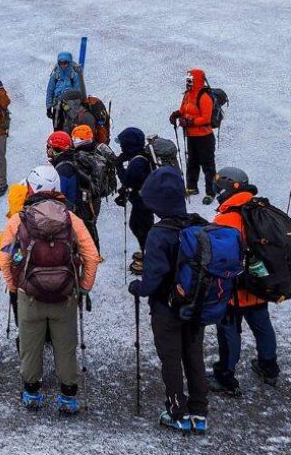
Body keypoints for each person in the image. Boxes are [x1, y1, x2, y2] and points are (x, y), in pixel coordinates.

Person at [0, 164, 100, 414]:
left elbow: (4, 260)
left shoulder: (19, 218)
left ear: (31, 187)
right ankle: (67, 397)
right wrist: (82, 287)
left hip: (29, 295)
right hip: (64, 295)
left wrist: (15, 287)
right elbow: (92, 256)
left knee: (31, 345)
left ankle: (32, 392)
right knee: (65, 345)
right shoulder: (70, 218)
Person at [128, 166, 211, 434]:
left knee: (171, 359)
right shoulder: (199, 225)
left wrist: (137, 288)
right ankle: (200, 412)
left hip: (166, 308)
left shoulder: (158, 233)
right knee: (194, 356)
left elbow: (154, 277)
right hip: (196, 306)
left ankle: (177, 411)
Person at [207, 167, 279, 393]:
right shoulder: (260, 209)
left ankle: (225, 376)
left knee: (229, 332)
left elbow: (218, 257)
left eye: (220, 188)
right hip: (259, 283)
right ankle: (269, 367)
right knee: (262, 325)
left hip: (234, 289)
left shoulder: (226, 218)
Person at [46, 130, 100, 252]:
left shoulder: (63, 170)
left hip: (73, 212)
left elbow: (60, 196)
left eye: (49, 147)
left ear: (56, 149)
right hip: (83, 206)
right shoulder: (70, 160)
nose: (47, 149)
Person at [169, 69, 216, 206]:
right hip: (192, 135)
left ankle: (211, 192)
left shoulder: (204, 97)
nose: (188, 82)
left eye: (191, 80)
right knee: (193, 161)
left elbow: (206, 118)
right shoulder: (188, 95)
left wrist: (190, 122)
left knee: (207, 164)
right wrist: (176, 114)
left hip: (205, 136)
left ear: (197, 81)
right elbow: (184, 110)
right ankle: (192, 187)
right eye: (187, 80)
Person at [114, 127, 153, 275]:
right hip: (143, 201)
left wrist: (118, 166)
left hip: (142, 202)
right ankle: (146, 251)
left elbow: (128, 181)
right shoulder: (140, 157)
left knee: (141, 228)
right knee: (139, 226)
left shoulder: (137, 162)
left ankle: (147, 257)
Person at [45, 52, 81, 122]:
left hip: (71, 105)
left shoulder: (74, 75)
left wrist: (77, 105)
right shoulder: (55, 76)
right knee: (57, 125)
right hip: (57, 104)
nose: (63, 65)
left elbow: (78, 91)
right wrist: (49, 108)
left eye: (65, 63)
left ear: (69, 63)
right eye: (60, 63)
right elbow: (50, 91)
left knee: (71, 125)